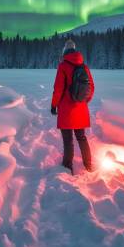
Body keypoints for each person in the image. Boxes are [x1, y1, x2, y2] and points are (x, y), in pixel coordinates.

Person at [51, 39, 95, 174]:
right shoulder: (84, 67)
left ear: (65, 51)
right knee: (81, 138)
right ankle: (88, 165)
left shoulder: (63, 66)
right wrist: (84, 101)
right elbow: (91, 88)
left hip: (66, 109)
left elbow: (58, 89)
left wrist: (54, 105)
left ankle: (67, 167)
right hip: (80, 108)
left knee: (68, 140)